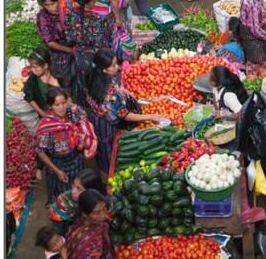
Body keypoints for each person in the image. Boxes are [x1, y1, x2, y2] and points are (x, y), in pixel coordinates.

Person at [85, 48, 167, 176]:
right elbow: (125, 115)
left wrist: (124, 93)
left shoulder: (95, 78)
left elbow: (115, 91)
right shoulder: (108, 93)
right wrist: (151, 116)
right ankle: (106, 175)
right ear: (104, 69)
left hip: (97, 119)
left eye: (116, 63)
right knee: (108, 151)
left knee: (102, 149)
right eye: (113, 66)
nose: (117, 67)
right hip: (106, 126)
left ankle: (103, 168)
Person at [35, 87, 97, 203]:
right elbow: (40, 151)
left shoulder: (74, 113)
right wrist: (56, 171)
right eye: (57, 105)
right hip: (58, 164)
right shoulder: (46, 126)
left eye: (63, 103)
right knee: (65, 196)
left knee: (79, 189)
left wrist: (87, 143)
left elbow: (86, 124)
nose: (61, 107)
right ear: (50, 106)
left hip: (75, 159)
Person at [63, 189, 133, 259]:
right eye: (97, 212)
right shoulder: (86, 242)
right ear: (84, 214)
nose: (103, 215)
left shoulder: (96, 223)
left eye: (104, 209)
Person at [47, 168, 106, 236]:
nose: (73, 191)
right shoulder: (63, 203)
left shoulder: (101, 200)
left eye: (79, 189)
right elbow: (58, 230)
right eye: (73, 186)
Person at [35, 0, 75, 83]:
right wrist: (70, 50)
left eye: (52, 4)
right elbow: (50, 42)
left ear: (58, 0)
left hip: (74, 46)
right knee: (64, 79)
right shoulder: (43, 17)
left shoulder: (66, 8)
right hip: (58, 52)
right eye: (46, 5)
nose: (50, 8)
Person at [239, 0, 266, 79]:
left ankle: (255, 75)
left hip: (247, 31)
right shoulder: (253, 5)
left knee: (253, 57)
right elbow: (255, 30)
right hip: (251, 35)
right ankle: (256, 79)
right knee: (257, 58)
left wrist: (265, 25)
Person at [23, 47, 64, 118]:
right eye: (31, 67)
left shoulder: (58, 78)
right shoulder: (33, 78)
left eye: (35, 67)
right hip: (45, 114)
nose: (32, 70)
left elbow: (67, 99)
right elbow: (29, 98)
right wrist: (42, 114)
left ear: (45, 66)